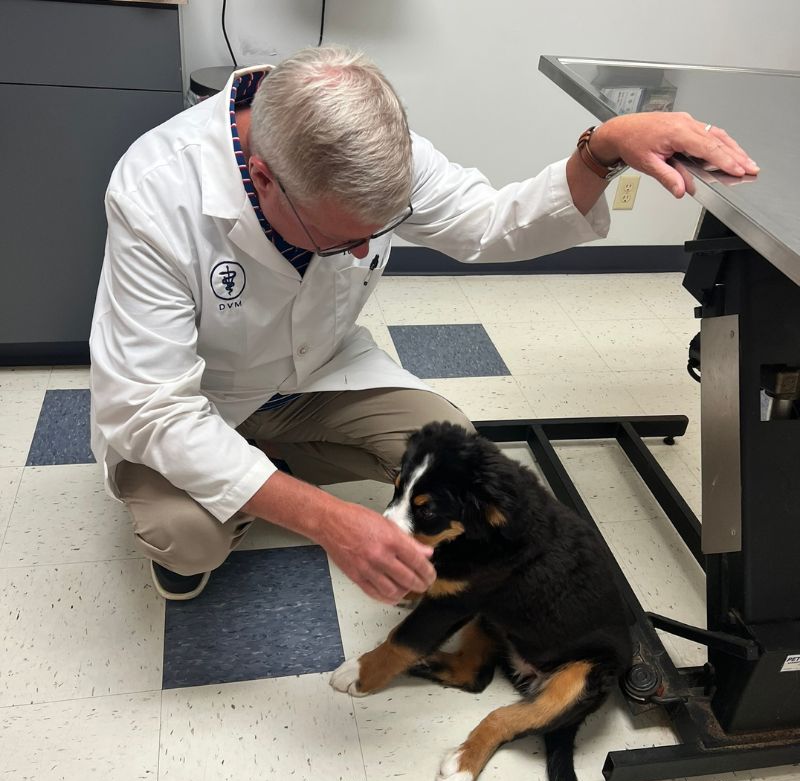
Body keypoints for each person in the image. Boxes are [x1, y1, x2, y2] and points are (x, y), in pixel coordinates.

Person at [89, 46, 757, 604]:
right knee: (190, 536)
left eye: (373, 235)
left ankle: (265, 470)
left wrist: (599, 152)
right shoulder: (158, 192)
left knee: (457, 456)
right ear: (263, 178)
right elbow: (152, 407)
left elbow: (490, 224)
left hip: (310, 376)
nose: (359, 255)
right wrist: (330, 523)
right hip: (198, 397)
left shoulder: (379, 151)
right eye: (336, 239)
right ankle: (240, 493)